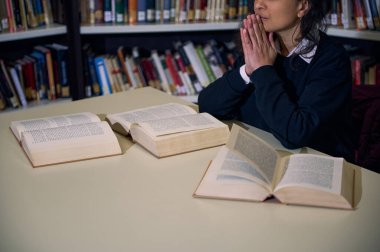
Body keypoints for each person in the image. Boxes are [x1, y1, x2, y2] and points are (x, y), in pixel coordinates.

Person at [198, 0, 355, 161]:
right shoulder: (260, 44)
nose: (258, 5)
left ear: (302, 6)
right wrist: (248, 70)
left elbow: (295, 134)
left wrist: (262, 70)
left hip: (310, 163)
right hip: (255, 154)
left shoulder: (332, 58)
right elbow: (208, 105)